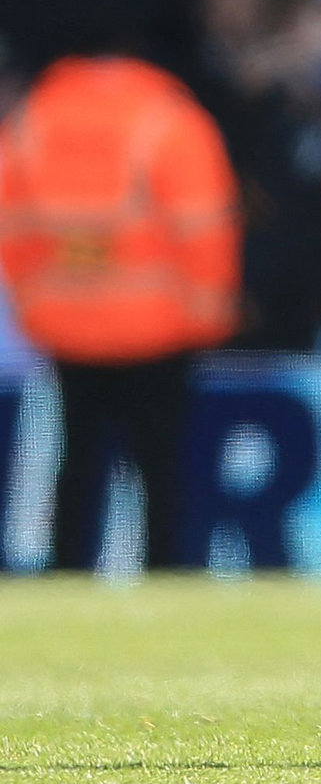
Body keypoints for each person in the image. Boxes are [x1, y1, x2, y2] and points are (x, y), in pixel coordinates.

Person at [0, 45, 240, 570]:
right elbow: (203, 226)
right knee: (161, 467)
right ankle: (167, 570)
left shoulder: (33, 119)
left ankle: (67, 569)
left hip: (67, 325)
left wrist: (34, 307)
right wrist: (208, 314)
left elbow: (11, 229)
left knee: (77, 461)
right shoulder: (169, 119)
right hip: (160, 327)